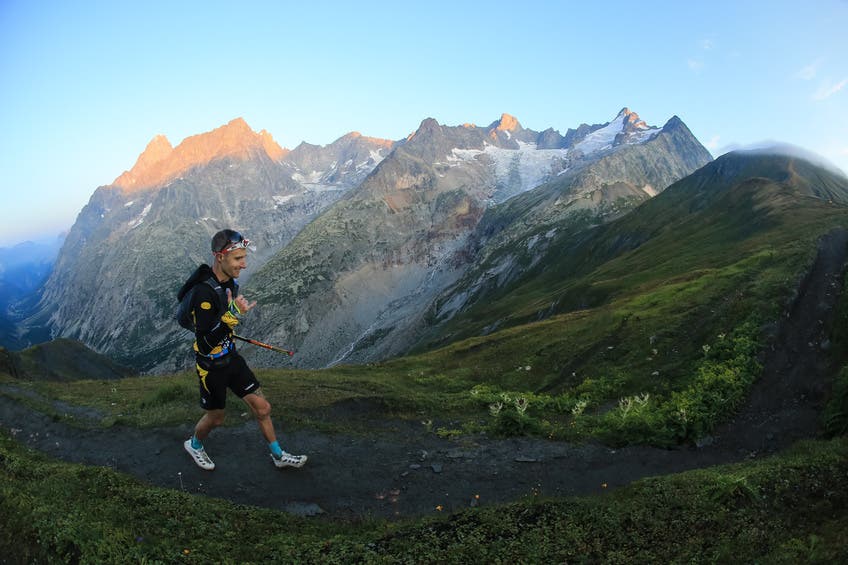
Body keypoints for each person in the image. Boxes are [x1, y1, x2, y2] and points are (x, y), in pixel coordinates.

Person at [178, 229, 307, 471]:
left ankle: (278, 455)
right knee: (216, 418)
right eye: (238, 259)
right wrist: (231, 316)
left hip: (231, 359)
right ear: (219, 257)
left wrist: (231, 317)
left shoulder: (230, 285)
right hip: (210, 366)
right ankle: (194, 445)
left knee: (263, 407)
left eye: (244, 257)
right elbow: (205, 344)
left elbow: (224, 324)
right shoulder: (202, 293)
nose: (244, 264)